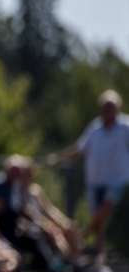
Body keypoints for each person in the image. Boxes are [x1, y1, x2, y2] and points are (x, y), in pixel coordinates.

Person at [51, 89, 129, 261]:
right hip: (95, 181)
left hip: (117, 180)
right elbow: (79, 149)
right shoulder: (95, 128)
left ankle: (83, 236)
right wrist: (58, 157)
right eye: (105, 107)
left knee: (105, 209)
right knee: (99, 220)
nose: (107, 111)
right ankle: (100, 253)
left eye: (111, 107)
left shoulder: (125, 127)